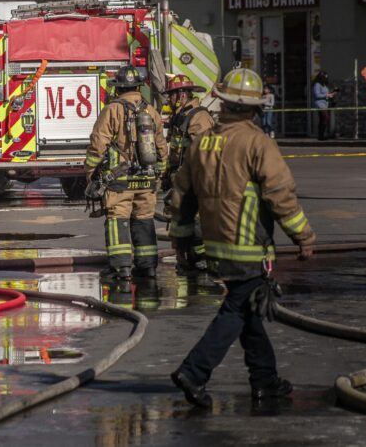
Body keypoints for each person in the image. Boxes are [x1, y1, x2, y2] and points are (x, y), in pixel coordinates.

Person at [170, 67, 316, 408]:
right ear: (253, 109)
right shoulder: (257, 143)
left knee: (249, 310)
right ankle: (194, 371)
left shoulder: (202, 143)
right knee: (236, 310)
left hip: (216, 245)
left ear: (222, 103)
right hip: (248, 244)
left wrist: (180, 239)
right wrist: (303, 237)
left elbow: (182, 196)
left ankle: (265, 380)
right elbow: (281, 195)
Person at [84, 65, 168, 280]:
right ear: (138, 87)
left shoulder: (112, 109)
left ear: (118, 88)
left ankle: (121, 268)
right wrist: (159, 175)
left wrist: (91, 170)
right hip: (146, 178)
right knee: (144, 219)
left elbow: (98, 142)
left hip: (119, 179)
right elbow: (161, 147)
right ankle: (148, 266)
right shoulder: (151, 111)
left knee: (117, 219)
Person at [162, 74, 214, 274]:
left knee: (197, 223)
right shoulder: (181, 116)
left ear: (182, 95)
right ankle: (188, 261)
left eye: (172, 96)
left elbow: (206, 152)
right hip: (181, 181)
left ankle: (203, 259)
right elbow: (177, 153)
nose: (170, 101)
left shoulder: (199, 117)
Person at [311, 71, 338, 141]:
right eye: (325, 77)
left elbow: (326, 93)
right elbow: (317, 95)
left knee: (322, 120)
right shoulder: (317, 84)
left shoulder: (324, 85)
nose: (326, 78)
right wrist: (327, 95)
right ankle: (321, 135)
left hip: (326, 103)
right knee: (325, 118)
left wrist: (332, 93)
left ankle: (321, 136)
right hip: (320, 104)